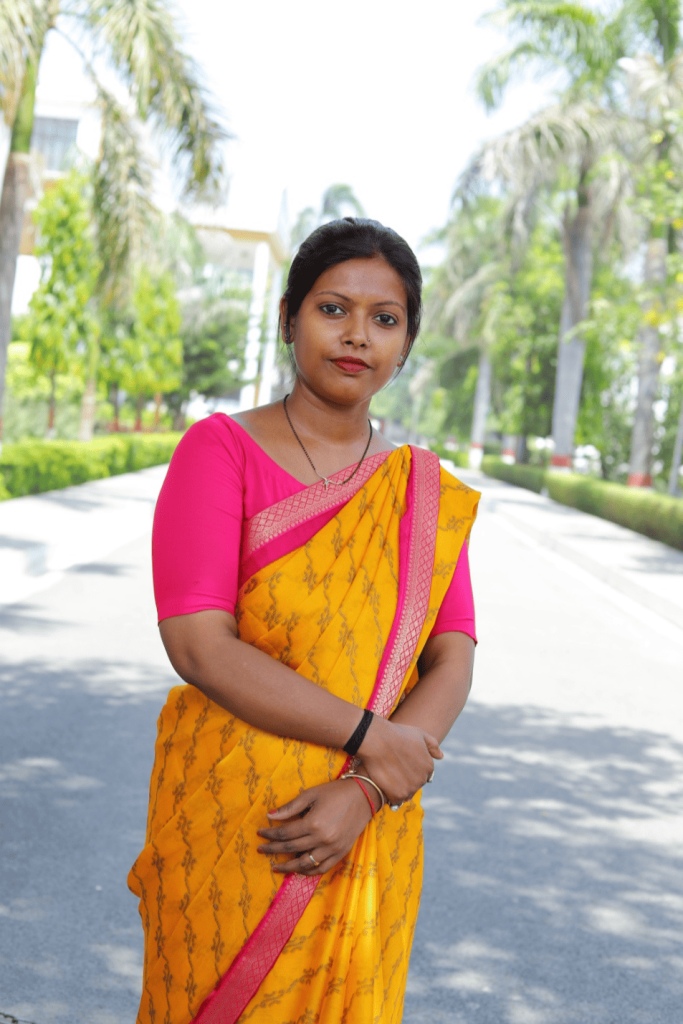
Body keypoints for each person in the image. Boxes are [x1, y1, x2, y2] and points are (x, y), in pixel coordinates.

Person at [128, 218, 479, 1024]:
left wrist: (366, 788)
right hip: (240, 823)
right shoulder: (220, 450)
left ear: (405, 344)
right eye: (332, 309)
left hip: (365, 826)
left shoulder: (419, 492)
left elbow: (451, 658)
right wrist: (372, 738)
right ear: (289, 318)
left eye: (384, 318)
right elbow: (197, 645)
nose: (357, 335)